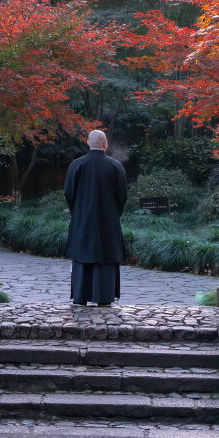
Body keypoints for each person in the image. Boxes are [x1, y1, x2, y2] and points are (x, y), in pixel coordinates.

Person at [63, 129, 127, 306]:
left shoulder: (76, 165)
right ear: (105, 144)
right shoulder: (115, 166)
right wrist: (114, 214)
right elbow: (122, 196)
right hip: (108, 222)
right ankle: (104, 297)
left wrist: (78, 212)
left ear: (88, 143)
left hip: (82, 220)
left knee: (82, 255)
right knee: (106, 257)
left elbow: (69, 194)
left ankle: (80, 296)